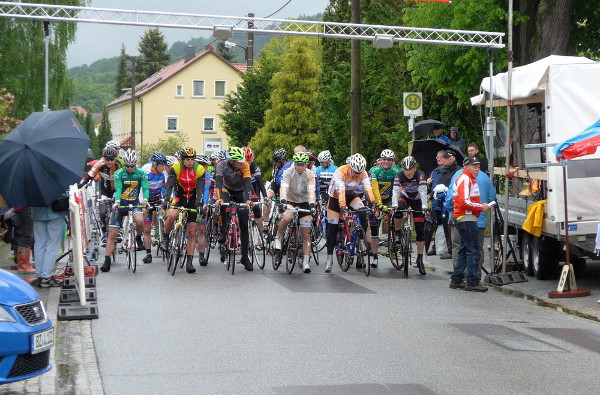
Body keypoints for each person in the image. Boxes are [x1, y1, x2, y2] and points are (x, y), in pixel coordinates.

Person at [323, 153, 375, 273]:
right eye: (355, 172)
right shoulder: (340, 172)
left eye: (359, 172)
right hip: (336, 197)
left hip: (350, 194)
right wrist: (343, 207)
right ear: (350, 167)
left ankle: (361, 242)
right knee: (333, 227)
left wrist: (373, 203)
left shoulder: (363, 173)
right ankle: (329, 258)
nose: (357, 175)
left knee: (362, 212)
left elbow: (368, 189)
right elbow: (340, 192)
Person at [445, 164, 496, 281]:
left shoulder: (459, 176)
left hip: (462, 218)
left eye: (478, 167)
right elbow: (491, 196)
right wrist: (481, 207)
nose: (477, 169)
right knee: (474, 249)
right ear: (467, 167)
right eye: (475, 167)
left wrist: (450, 212)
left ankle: (458, 277)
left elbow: (450, 198)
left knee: (461, 247)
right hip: (470, 218)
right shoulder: (470, 178)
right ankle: (473, 279)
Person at [101, 150, 149, 273]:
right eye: (127, 166)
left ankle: (138, 238)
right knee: (112, 233)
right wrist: (117, 201)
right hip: (120, 204)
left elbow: (145, 188)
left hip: (134, 204)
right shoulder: (119, 173)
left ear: (135, 164)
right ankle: (107, 261)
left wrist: (145, 200)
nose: (129, 168)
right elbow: (118, 188)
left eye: (132, 166)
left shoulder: (141, 173)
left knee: (139, 220)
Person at [161, 147, 206, 274]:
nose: (190, 162)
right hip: (179, 197)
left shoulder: (199, 169)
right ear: (182, 160)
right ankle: (165, 239)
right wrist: (166, 200)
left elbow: (201, 189)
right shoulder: (175, 168)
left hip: (193, 198)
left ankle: (190, 263)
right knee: (171, 215)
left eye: (192, 159)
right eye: (187, 159)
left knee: (192, 232)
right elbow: (169, 186)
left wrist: (199, 204)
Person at [275, 152, 317, 273]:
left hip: (304, 202)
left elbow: (311, 191)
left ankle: (306, 262)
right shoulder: (288, 171)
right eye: (297, 165)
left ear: (306, 165)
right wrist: (283, 201)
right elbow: (284, 187)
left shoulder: (310, 174)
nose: (300, 167)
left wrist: (312, 205)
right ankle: (279, 235)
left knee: (306, 234)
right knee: (287, 217)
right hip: (290, 200)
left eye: (302, 165)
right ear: (294, 164)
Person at [214, 146, 254, 271]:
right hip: (226, 189)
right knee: (223, 205)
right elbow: (218, 183)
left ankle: (244, 257)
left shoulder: (245, 165)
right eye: (239, 161)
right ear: (232, 161)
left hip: (240, 191)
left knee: (243, 222)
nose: (242, 163)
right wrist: (219, 198)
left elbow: (248, 183)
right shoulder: (221, 165)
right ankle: (222, 230)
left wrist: (248, 199)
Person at [78, 145, 123, 246]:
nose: (110, 162)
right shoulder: (100, 164)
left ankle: (119, 229)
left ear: (116, 158)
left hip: (117, 189)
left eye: (112, 159)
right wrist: (79, 185)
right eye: (107, 159)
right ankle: (104, 233)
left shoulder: (120, 164)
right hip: (105, 190)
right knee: (102, 212)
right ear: (103, 158)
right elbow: (89, 176)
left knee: (118, 208)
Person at [391, 156, 429, 275]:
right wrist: (394, 205)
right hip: (405, 197)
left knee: (420, 230)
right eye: (405, 169)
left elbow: (423, 191)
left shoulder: (420, 175)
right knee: (398, 210)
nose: (408, 172)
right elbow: (396, 191)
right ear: (402, 169)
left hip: (418, 200)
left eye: (410, 169)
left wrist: (424, 206)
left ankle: (420, 259)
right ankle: (397, 234)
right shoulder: (399, 175)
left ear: (415, 168)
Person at [368, 149, 401, 268]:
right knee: (374, 227)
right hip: (376, 199)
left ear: (393, 161)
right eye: (384, 159)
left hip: (390, 198)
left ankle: (397, 235)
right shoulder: (374, 170)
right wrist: (378, 204)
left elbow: (399, 188)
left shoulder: (397, 171)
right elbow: (374, 188)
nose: (386, 161)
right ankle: (375, 257)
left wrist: (395, 203)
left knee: (397, 214)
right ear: (381, 160)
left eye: (389, 160)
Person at [427, 150, 462, 259]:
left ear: (452, 159)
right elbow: (439, 185)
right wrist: (431, 194)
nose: (444, 160)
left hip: (453, 204)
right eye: (444, 158)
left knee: (451, 227)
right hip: (443, 203)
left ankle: (452, 250)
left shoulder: (458, 170)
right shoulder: (444, 170)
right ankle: (448, 248)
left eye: (446, 158)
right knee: (445, 226)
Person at [32, 194, 68, 287]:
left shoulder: (33, 181)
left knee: (39, 245)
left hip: (37, 212)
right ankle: (46, 276)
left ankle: (40, 275)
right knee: (52, 245)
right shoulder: (55, 180)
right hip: (55, 212)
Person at [141, 152, 168, 264]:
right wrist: (143, 203)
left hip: (158, 199)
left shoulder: (164, 174)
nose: (164, 167)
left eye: (165, 165)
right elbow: (140, 190)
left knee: (165, 217)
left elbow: (166, 189)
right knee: (147, 229)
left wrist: (166, 201)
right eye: (162, 165)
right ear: (155, 165)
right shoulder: (145, 172)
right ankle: (148, 254)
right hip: (146, 200)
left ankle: (165, 240)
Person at [194, 154, 213, 266]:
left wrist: (205, 204)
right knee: (189, 232)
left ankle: (201, 256)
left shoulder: (207, 175)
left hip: (201, 203)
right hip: (189, 202)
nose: (204, 168)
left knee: (201, 230)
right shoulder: (190, 173)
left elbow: (206, 191)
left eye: (206, 166)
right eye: (202, 165)